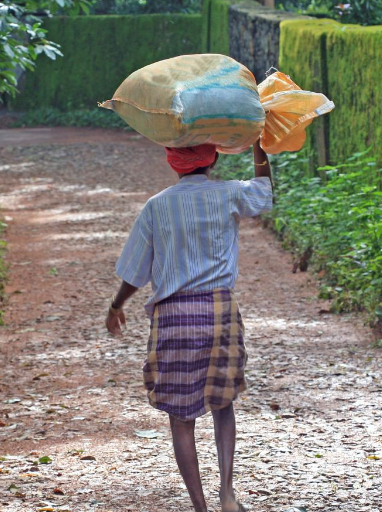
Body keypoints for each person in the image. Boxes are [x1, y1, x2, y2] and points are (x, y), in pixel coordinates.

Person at [105, 142, 273, 512]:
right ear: (212, 158)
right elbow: (264, 195)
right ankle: (227, 495)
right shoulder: (230, 193)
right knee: (222, 404)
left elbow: (137, 268)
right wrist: (260, 147)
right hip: (219, 311)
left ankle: (200, 508)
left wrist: (117, 304)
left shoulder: (157, 205)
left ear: (172, 162)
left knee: (181, 418)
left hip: (174, 317)